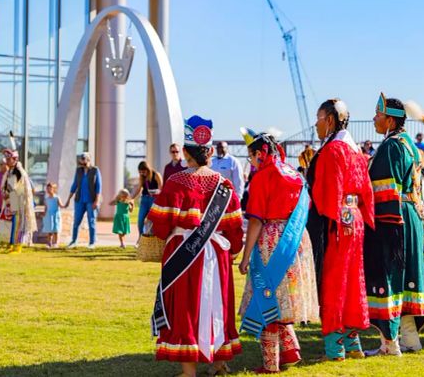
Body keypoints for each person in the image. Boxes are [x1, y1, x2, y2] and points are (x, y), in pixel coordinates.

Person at [148, 115, 243, 377]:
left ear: (186, 152)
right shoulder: (224, 184)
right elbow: (235, 228)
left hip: (182, 253)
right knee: (216, 306)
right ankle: (219, 362)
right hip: (216, 252)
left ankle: (189, 370)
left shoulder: (176, 182)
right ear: (210, 151)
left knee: (185, 308)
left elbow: (160, 225)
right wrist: (233, 251)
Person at [238, 128, 318, 373]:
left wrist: (245, 256)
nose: (251, 162)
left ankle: (271, 364)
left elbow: (256, 220)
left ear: (260, 154)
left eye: (251, 157)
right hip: (296, 241)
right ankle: (291, 351)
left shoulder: (263, 177)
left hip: (271, 241)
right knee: (284, 299)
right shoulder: (293, 173)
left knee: (267, 297)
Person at [305, 99, 374, 361]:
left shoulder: (333, 150)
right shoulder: (354, 150)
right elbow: (366, 190)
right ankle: (353, 342)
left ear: (330, 120)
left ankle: (336, 349)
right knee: (353, 279)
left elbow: (326, 192)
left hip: (337, 220)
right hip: (353, 218)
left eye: (319, 118)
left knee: (335, 282)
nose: (316, 124)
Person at [364, 94, 424, 356]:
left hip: (393, 217)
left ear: (390, 119)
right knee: (407, 277)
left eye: (377, 116)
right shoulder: (409, 144)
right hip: (410, 215)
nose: (374, 120)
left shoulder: (391, 146)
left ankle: (389, 343)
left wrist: (381, 225)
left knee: (389, 275)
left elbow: (385, 189)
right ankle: (411, 339)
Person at [0, 134, 37, 254]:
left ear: (15, 159)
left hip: (19, 200)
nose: (7, 161)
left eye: (9, 159)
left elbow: (17, 186)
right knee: (10, 222)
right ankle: (11, 243)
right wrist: (5, 194)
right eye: (6, 159)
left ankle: (17, 245)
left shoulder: (19, 171)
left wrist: (8, 193)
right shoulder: (9, 171)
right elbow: (6, 185)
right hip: (12, 200)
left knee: (18, 223)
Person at [65, 152, 102, 249]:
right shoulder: (78, 171)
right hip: (79, 200)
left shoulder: (95, 170)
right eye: (80, 160)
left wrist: (96, 201)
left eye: (83, 159)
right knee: (76, 221)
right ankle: (73, 241)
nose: (81, 162)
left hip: (91, 200)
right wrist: (69, 199)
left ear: (88, 159)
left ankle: (92, 243)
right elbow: (74, 185)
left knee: (91, 221)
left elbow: (98, 186)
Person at [135, 161, 162, 236]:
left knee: (152, 220)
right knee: (140, 220)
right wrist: (131, 198)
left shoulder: (156, 174)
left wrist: (156, 192)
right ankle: (141, 237)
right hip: (144, 199)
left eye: (143, 172)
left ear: (147, 169)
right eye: (140, 172)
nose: (142, 174)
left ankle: (151, 238)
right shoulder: (142, 177)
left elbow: (161, 187)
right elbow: (138, 189)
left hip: (154, 200)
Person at [41, 183, 63, 249]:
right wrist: (43, 214)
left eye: (50, 188)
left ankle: (56, 243)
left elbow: (61, 205)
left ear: (53, 189)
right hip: (49, 216)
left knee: (56, 230)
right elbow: (46, 208)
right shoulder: (46, 199)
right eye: (47, 188)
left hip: (55, 215)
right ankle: (49, 243)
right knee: (50, 231)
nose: (48, 190)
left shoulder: (57, 198)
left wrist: (65, 205)